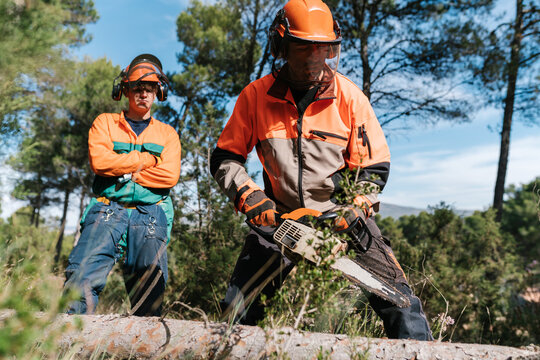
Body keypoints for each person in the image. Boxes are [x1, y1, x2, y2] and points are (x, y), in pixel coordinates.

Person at [210, 0, 432, 340]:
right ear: (281, 45)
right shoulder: (255, 97)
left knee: (402, 306)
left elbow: (373, 167)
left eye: (323, 48)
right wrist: (250, 196)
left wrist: (357, 206)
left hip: (340, 218)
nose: (314, 58)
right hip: (280, 219)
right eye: (303, 47)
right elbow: (225, 157)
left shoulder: (349, 97)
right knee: (237, 313)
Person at [64, 54, 181, 316]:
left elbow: (170, 176)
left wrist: (123, 171)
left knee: (149, 286)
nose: (143, 94)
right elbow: (100, 162)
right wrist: (148, 160)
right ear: (125, 90)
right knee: (80, 279)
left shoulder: (167, 134)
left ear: (158, 92)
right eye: (137, 88)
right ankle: (68, 345)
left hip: (151, 211)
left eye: (149, 88)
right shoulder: (104, 123)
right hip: (107, 207)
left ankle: (140, 350)